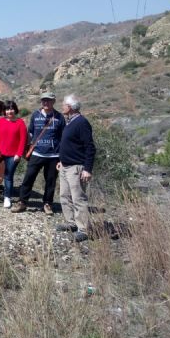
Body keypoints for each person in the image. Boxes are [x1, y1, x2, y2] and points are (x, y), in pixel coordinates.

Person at [56, 94, 96, 242]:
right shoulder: (70, 122)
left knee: (78, 198)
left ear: (71, 107)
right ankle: (70, 223)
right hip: (65, 166)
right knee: (64, 196)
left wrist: (87, 169)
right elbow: (70, 144)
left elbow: (90, 147)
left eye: (64, 104)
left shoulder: (82, 123)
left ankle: (83, 229)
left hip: (76, 167)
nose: (62, 106)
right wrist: (61, 160)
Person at [18, 92, 66, 215]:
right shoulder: (35, 115)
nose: (45, 103)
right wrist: (24, 149)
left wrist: (61, 157)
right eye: (43, 100)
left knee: (50, 181)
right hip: (37, 153)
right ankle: (22, 202)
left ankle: (47, 204)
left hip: (53, 156)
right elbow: (30, 133)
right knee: (28, 178)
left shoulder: (59, 117)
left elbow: (63, 138)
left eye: (48, 100)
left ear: (53, 102)